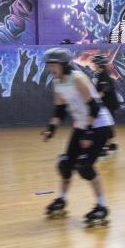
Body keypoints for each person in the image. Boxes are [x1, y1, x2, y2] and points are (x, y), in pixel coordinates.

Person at [41, 47, 115, 226]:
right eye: (49, 65)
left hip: (99, 125)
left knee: (84, 167)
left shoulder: (78, 78)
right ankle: (62, 199)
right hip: (83, 125)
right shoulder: (57, 82)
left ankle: (101, 206)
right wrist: (51, 128)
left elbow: (94, 108)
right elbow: (60, 109)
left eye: (53, 65)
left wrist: (88, 132)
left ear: (64, 65)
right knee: (65, 164)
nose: (51, 68)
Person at [92, 53, 120, 156]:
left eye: (95, 63)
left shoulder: (103, 76)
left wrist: (93, 100)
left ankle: (103, 148)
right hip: (108, 105)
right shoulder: (101, 75)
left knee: (104, 126)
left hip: (108, 105)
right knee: (107, 125)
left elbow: (103, 90)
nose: (93, 65)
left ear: (99, 65)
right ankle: (112, 146)